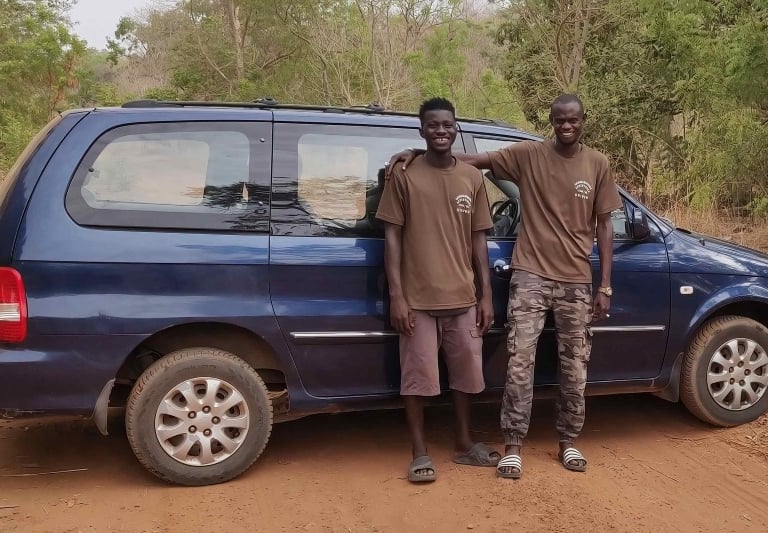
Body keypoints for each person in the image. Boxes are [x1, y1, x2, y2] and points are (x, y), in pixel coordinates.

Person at [388, 94, 622, 479]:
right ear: (550, 120)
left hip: (578, 279)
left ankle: (568, 441)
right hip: (529, 273)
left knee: (575, 367)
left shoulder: (597, 163)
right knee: (519, 363)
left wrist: (605, 285)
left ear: (583, 121)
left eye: (573, 120)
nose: (566, 126)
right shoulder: (530, 155)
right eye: (559, 120)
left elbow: (605, 224)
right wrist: (418, 151)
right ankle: (514, 444)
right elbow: (469, 161)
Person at [376, 97, 501, 483]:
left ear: (456, 127)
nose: (441, 131)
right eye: (433, 125)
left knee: (466, 375)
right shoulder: (405, 174)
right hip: (417, 301)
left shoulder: (471, 178)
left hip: (463, 298)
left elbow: (479, 240)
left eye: (447, 125)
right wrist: (397, 296)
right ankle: (419, 451)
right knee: (417, 379)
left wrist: (486, 294)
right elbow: (391, 238)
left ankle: (463, 444)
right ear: (422, 130)